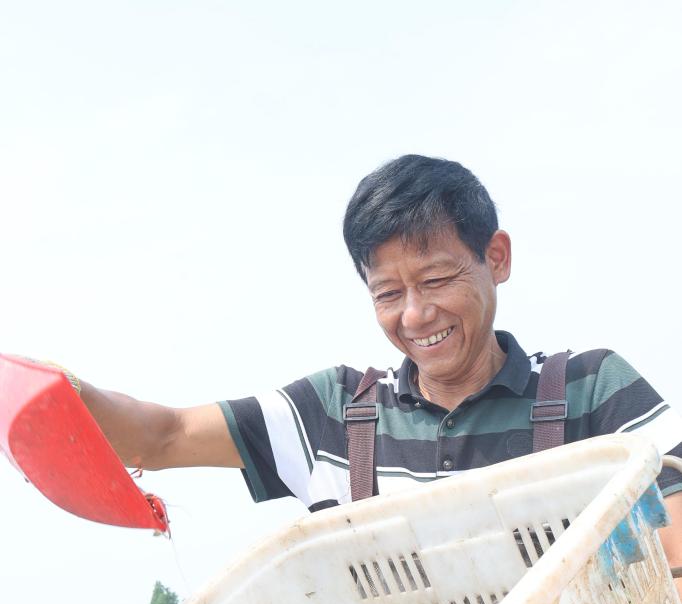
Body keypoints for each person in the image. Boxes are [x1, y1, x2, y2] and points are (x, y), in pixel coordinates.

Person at [76, 154, 682, 577]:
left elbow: (676, 565)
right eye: (388, 293)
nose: (415, 315)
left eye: (436, 279)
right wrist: (59, 393)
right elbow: (163, 435)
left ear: (496, 257)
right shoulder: (333, 414)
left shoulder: (596, 391)